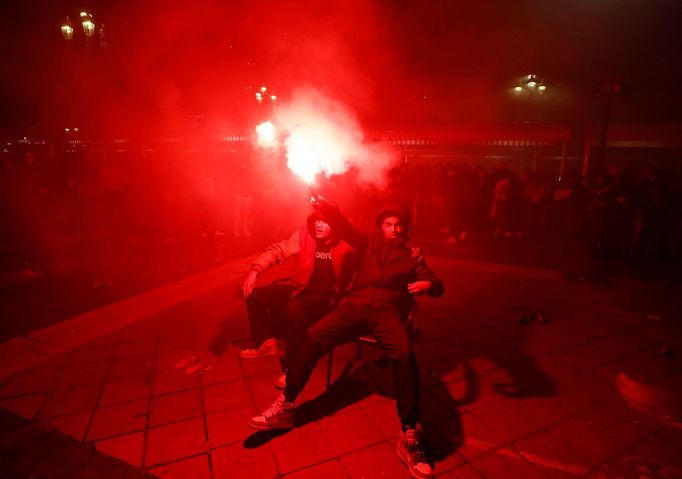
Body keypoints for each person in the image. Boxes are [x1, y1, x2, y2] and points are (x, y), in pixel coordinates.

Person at [248, 197, 444, 479]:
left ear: (406, 229)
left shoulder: (412, 256)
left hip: (385, 315)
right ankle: (286, 405)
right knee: (314, 336)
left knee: (405, 354)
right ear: (380, 226)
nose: (393, 229)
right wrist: (327, 206)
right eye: (388, 224)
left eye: (399, 225)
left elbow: (438, 284)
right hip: (353, 308)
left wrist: (429, 284)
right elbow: (343, 224)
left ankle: (409, 434)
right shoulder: (368, 241)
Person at [239, 209, 360, 388]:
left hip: (329, 298)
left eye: (325, 221)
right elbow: (280, 250)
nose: (318, 225)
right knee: (254, 295)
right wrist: (255, 270)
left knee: (295, 310)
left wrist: (410, 252)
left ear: (336, 224)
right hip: (301, 289)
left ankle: (292, 368)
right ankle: (265, 343)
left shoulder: (346, 242)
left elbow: (371, 245)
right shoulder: (305, 235)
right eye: (316, 220)